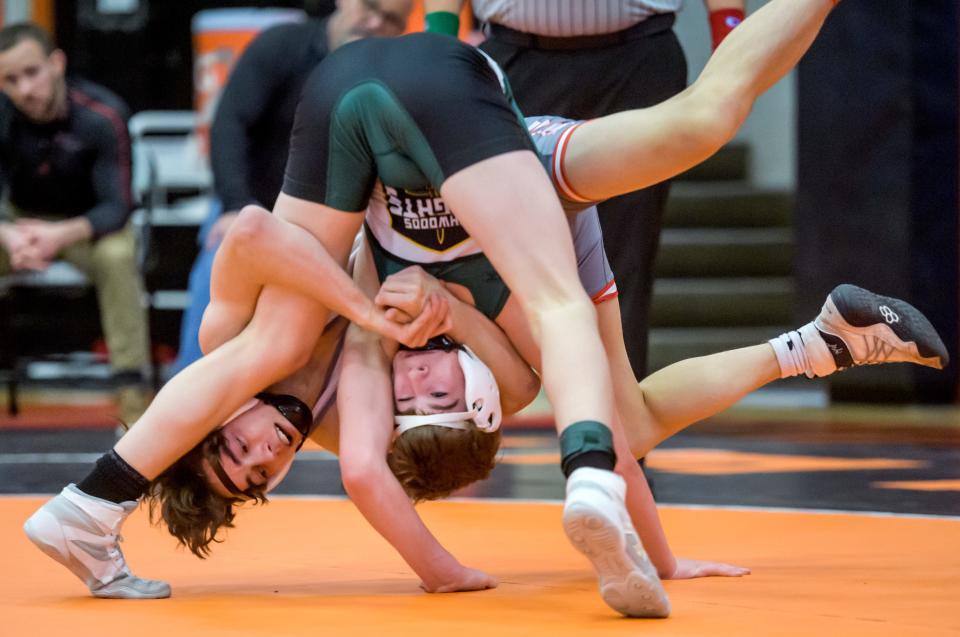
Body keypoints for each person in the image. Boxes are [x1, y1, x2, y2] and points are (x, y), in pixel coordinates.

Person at [24, 0, 849, 615]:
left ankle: (92, 503)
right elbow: (509, 396)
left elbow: (248, 233)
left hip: (460, 141)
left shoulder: (265, 346)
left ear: (203, 421)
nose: (265, 448)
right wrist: (445, 323)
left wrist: (368, 310)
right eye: (261, 474)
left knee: (271, 338)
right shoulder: (353, 403)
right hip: (490, 180)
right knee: (591, 318)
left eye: (234, 448)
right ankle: (88, 507)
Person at [424, 0, 746, 387]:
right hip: (516, 59)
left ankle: (620, 434)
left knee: (624, 257)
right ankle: (480, 416)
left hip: (639, 56)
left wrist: (730, 37)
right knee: (500, 256)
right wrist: (439, 47)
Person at [172, 0, 414, 374]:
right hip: (256, 206)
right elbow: (229, 124)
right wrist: (235, 205)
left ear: (401, 31)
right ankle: (190, 383)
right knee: (218, 257)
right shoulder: (281, 45)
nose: (374, 22)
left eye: (390, 20)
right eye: (370, 7)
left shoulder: (392, 76)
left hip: (340, 226)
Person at [0, 22, 151, 424]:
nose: (24, 89)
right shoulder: (2, 114)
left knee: (119, 257)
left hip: (87, 227)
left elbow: (118, 206)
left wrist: (58, 235)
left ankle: (133, 410)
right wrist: (9, 233)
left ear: (56, 64)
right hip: (17, 226)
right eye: (11, 79)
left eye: (31, 73)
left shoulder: (102, 115)